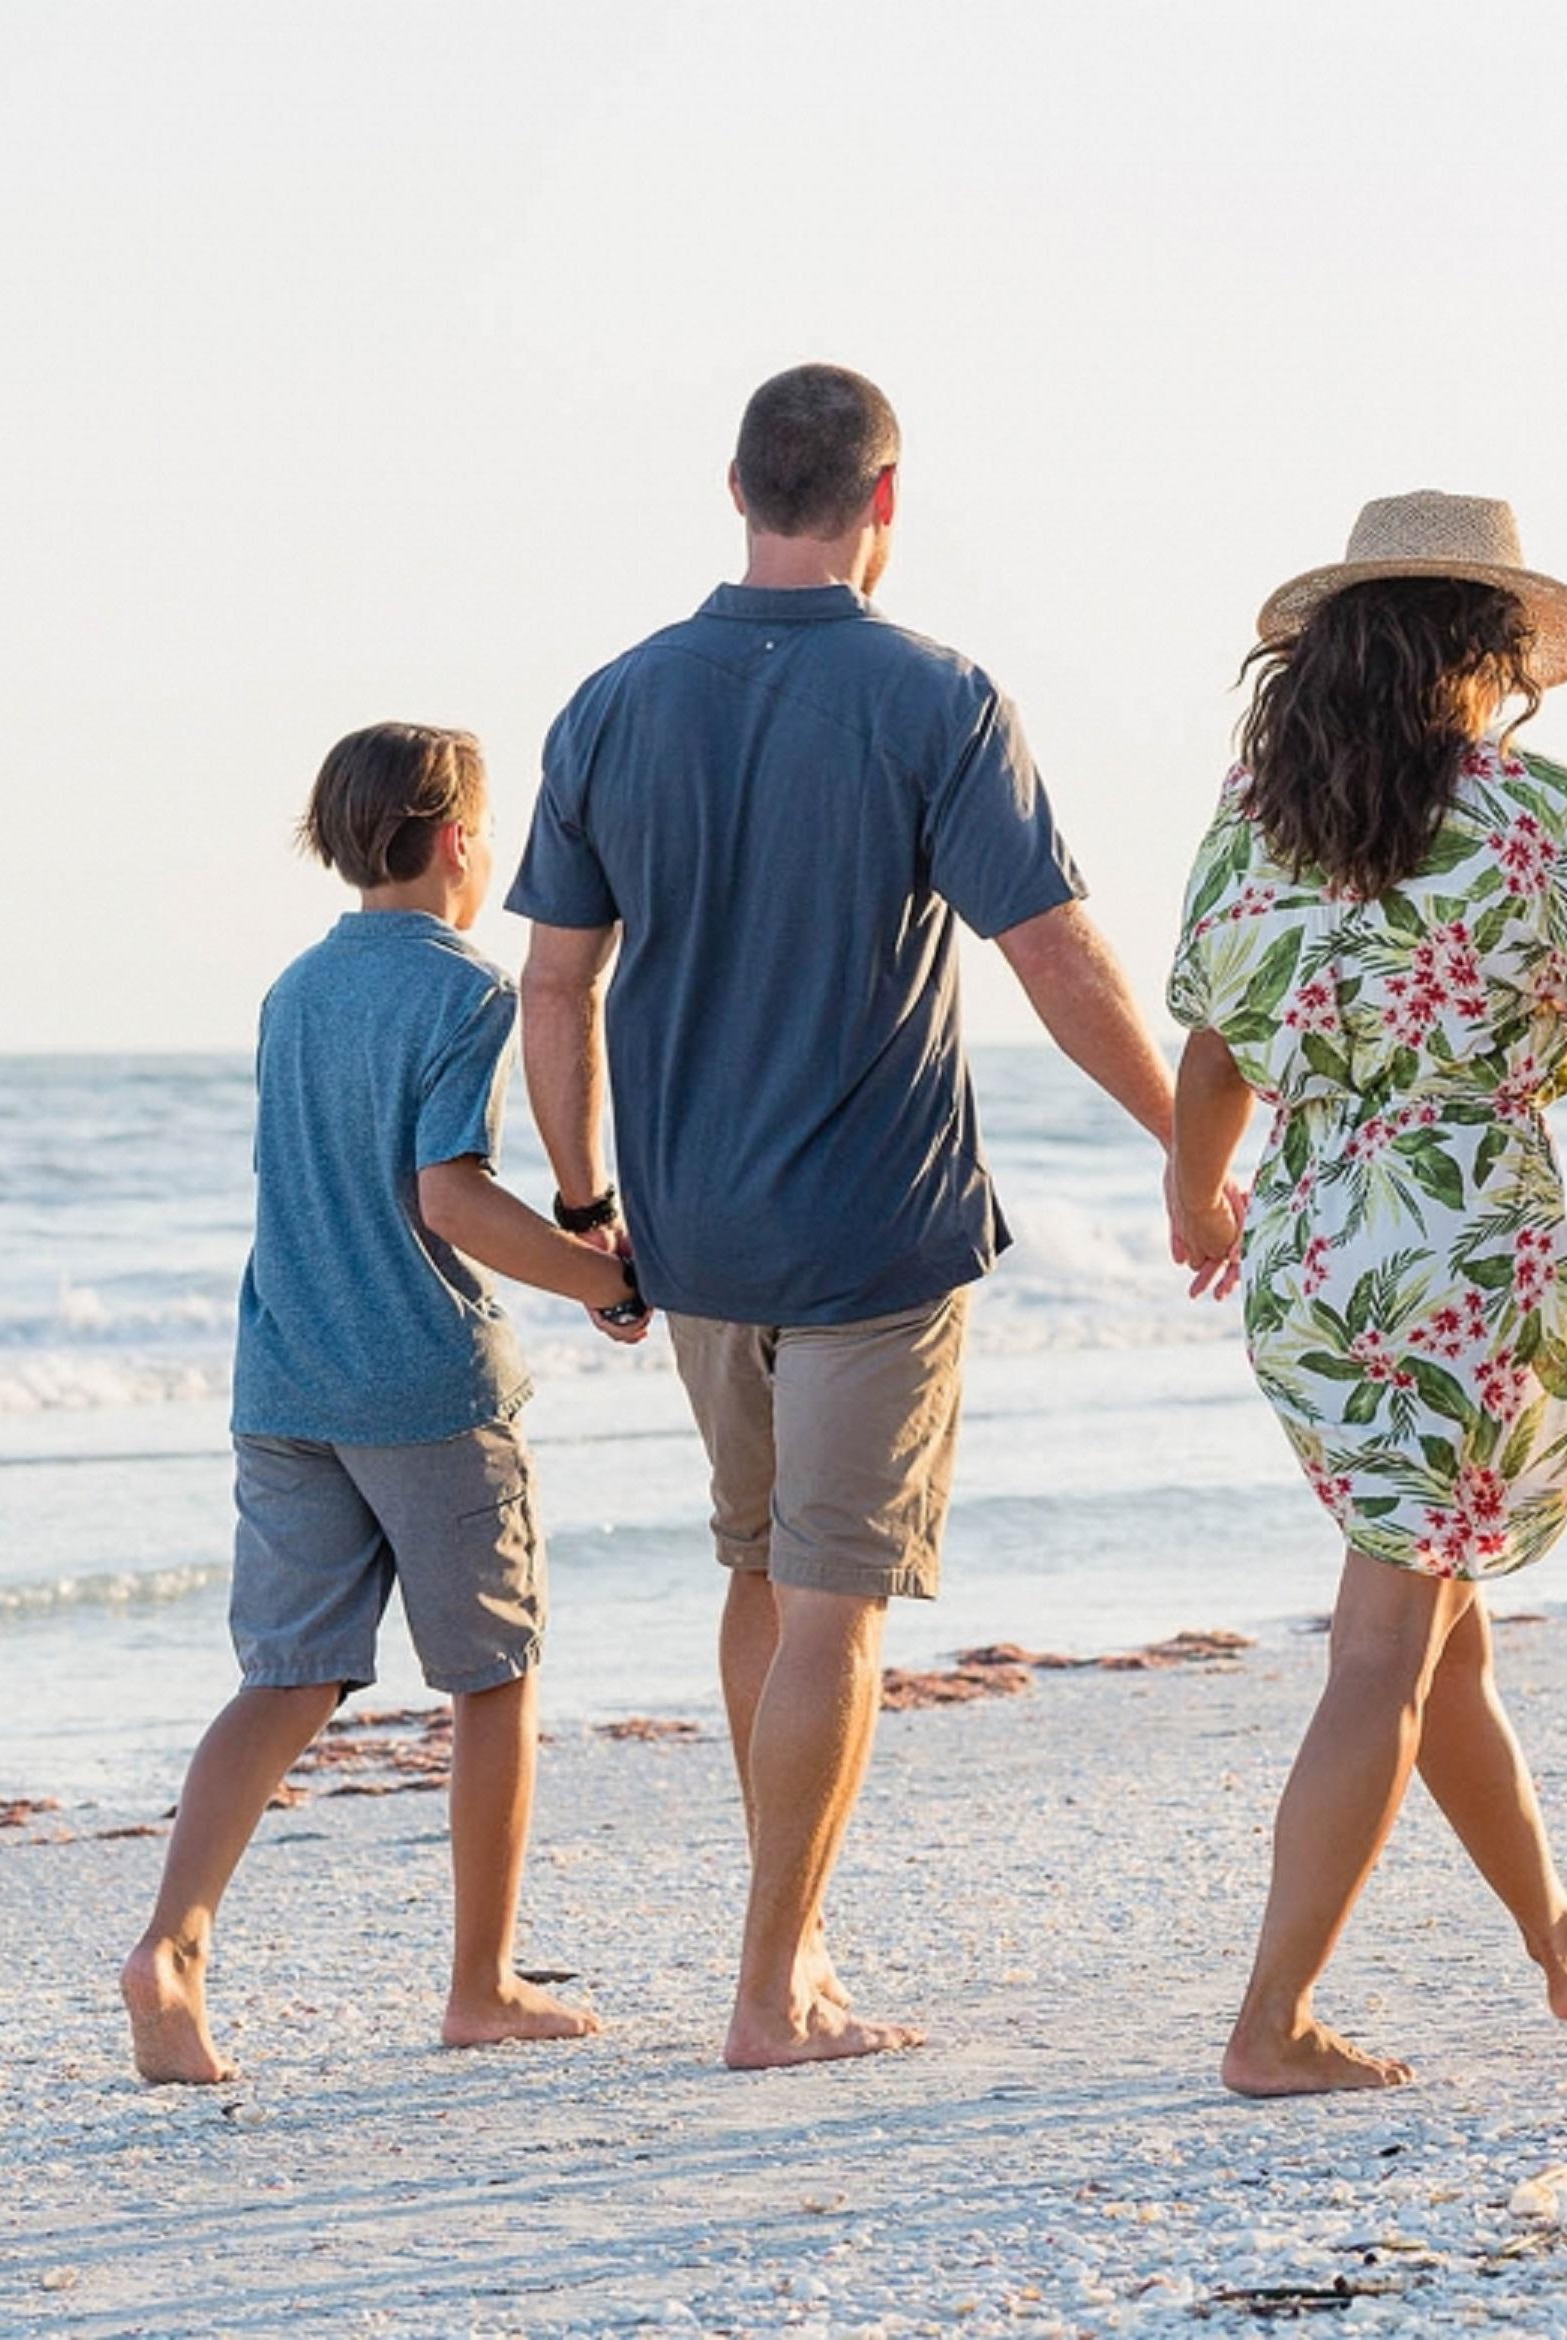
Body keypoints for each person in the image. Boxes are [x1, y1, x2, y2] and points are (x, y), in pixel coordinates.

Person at [512, 363, 1178, 2070]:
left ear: (736, 485)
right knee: (833, 1602)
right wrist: (1187, 1138)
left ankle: (781, 1953)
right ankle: (772, 1986)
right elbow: (1051, 953)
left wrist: (588, 1203)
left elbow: (558, 984)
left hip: (692, 1224)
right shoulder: (935, 696)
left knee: (760, 1571)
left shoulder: (610, 701)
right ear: (888, 500)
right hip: (873, 1221)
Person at [1164, 491, 1567, 2095]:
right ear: (1484, 652)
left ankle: (1558, 1938)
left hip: (1314, 1255)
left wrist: (1196, 1197)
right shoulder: (1544, 819)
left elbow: (1212, 1049)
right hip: (1463, 1254)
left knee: (1436, 1628)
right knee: (1388, 1637)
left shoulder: (1260, 821)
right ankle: (1273, 2023)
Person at [122, 721, 649, 2087]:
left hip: (283, 1374)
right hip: (422, 1381)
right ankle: (480, 1985)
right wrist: (598, 1273)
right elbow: (448, 1195)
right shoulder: (466, 989)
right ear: (463, 841)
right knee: (493, 1676)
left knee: (284, 1675)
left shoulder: (294, 991)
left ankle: (171, 1947)